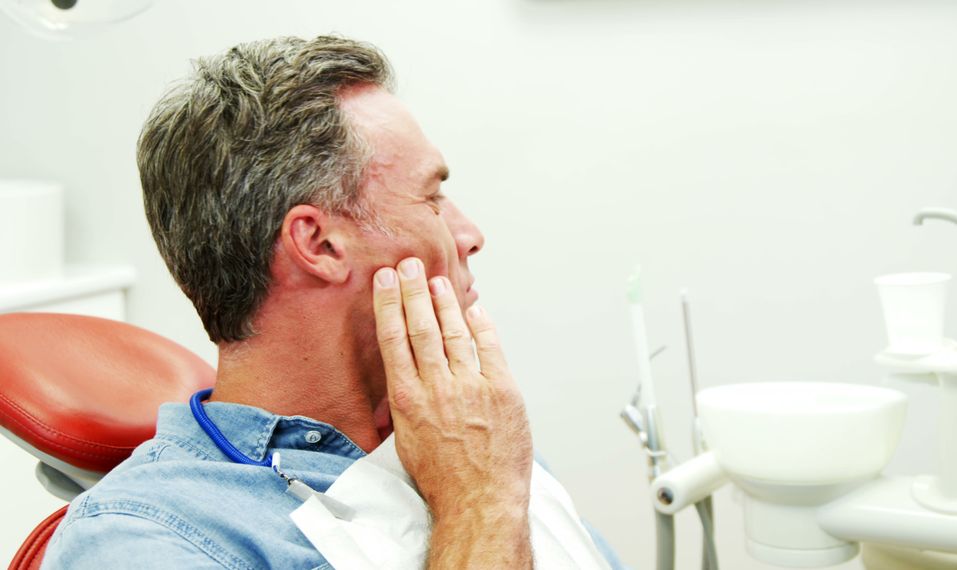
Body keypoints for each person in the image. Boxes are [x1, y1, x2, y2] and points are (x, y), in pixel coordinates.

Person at [42, 36, 618, 568]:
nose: (470, 235)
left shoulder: (467, 433)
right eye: (433, 198)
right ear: (318, 244)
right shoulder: (144, 537)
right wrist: (479, 505)